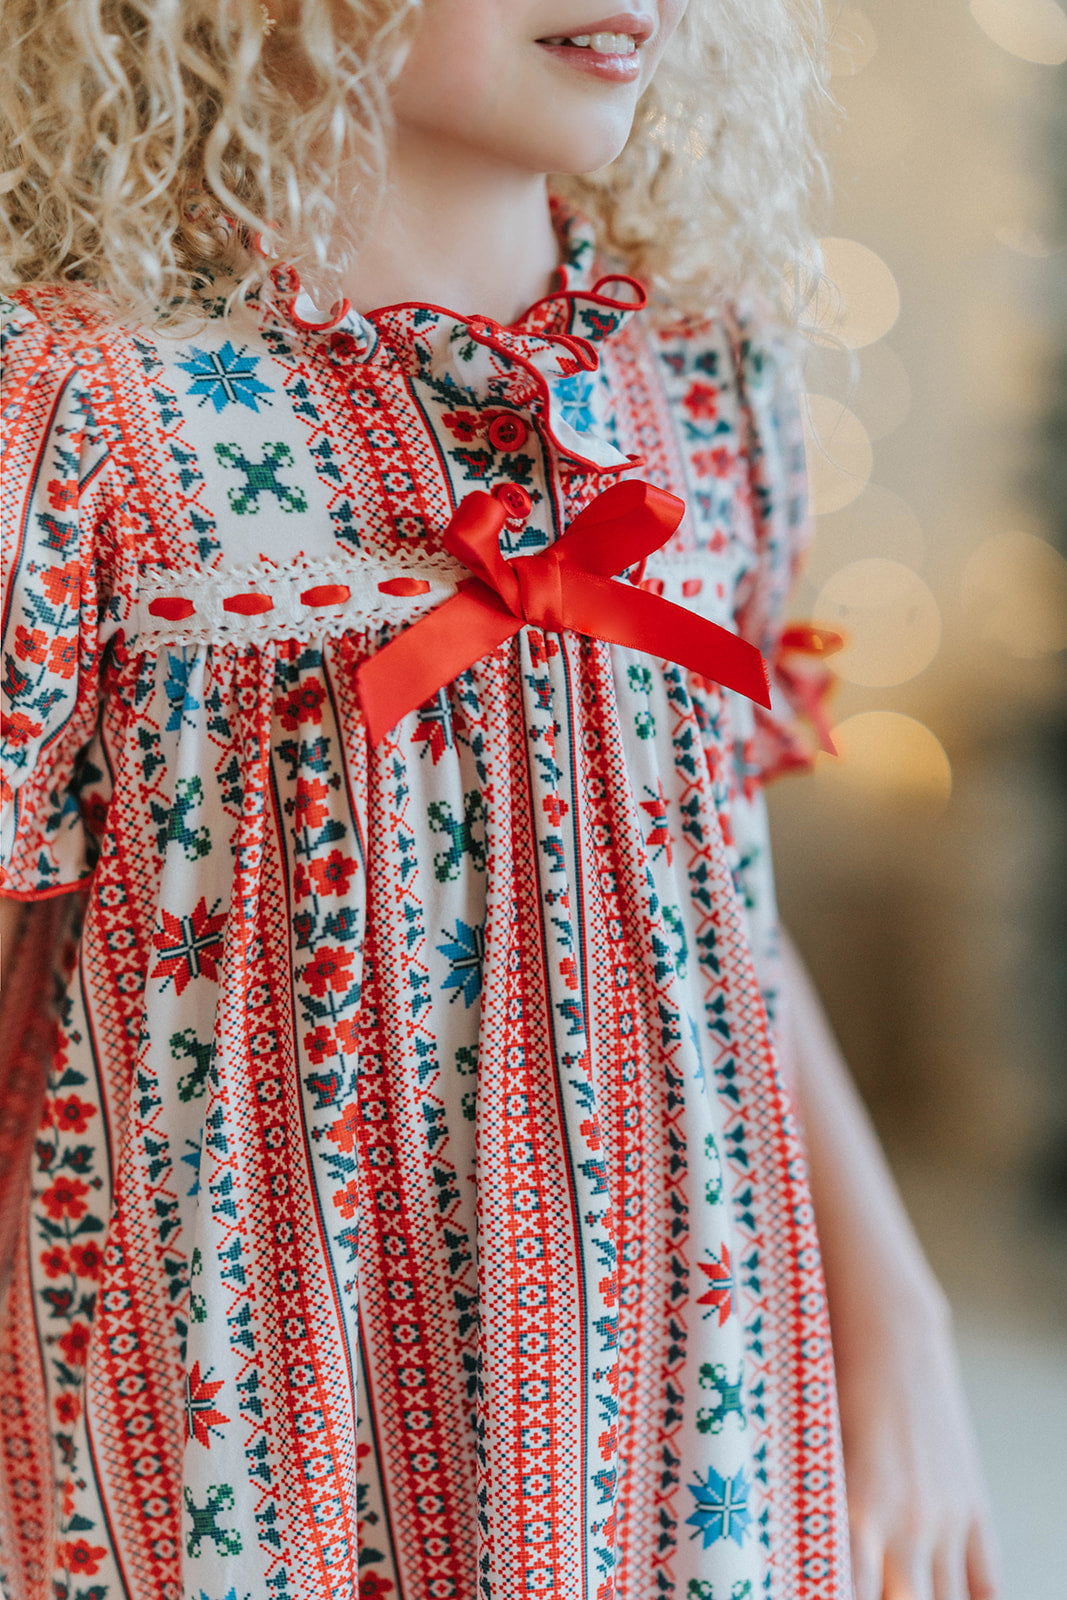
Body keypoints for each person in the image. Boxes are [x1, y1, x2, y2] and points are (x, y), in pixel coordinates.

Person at [0, 3, 998, 1597]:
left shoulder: (705, 380)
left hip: (681, 1390)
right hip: (239, 1433)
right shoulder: (95, 418)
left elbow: (712, 896)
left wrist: (899, 1314)